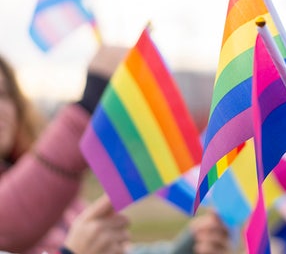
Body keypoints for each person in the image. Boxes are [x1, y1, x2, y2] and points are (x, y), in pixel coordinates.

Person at [0, 46, 231, 254]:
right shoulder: (34, 194)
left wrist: (189, 248)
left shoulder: (53, 194)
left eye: (3, 94)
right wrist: (90, 101)